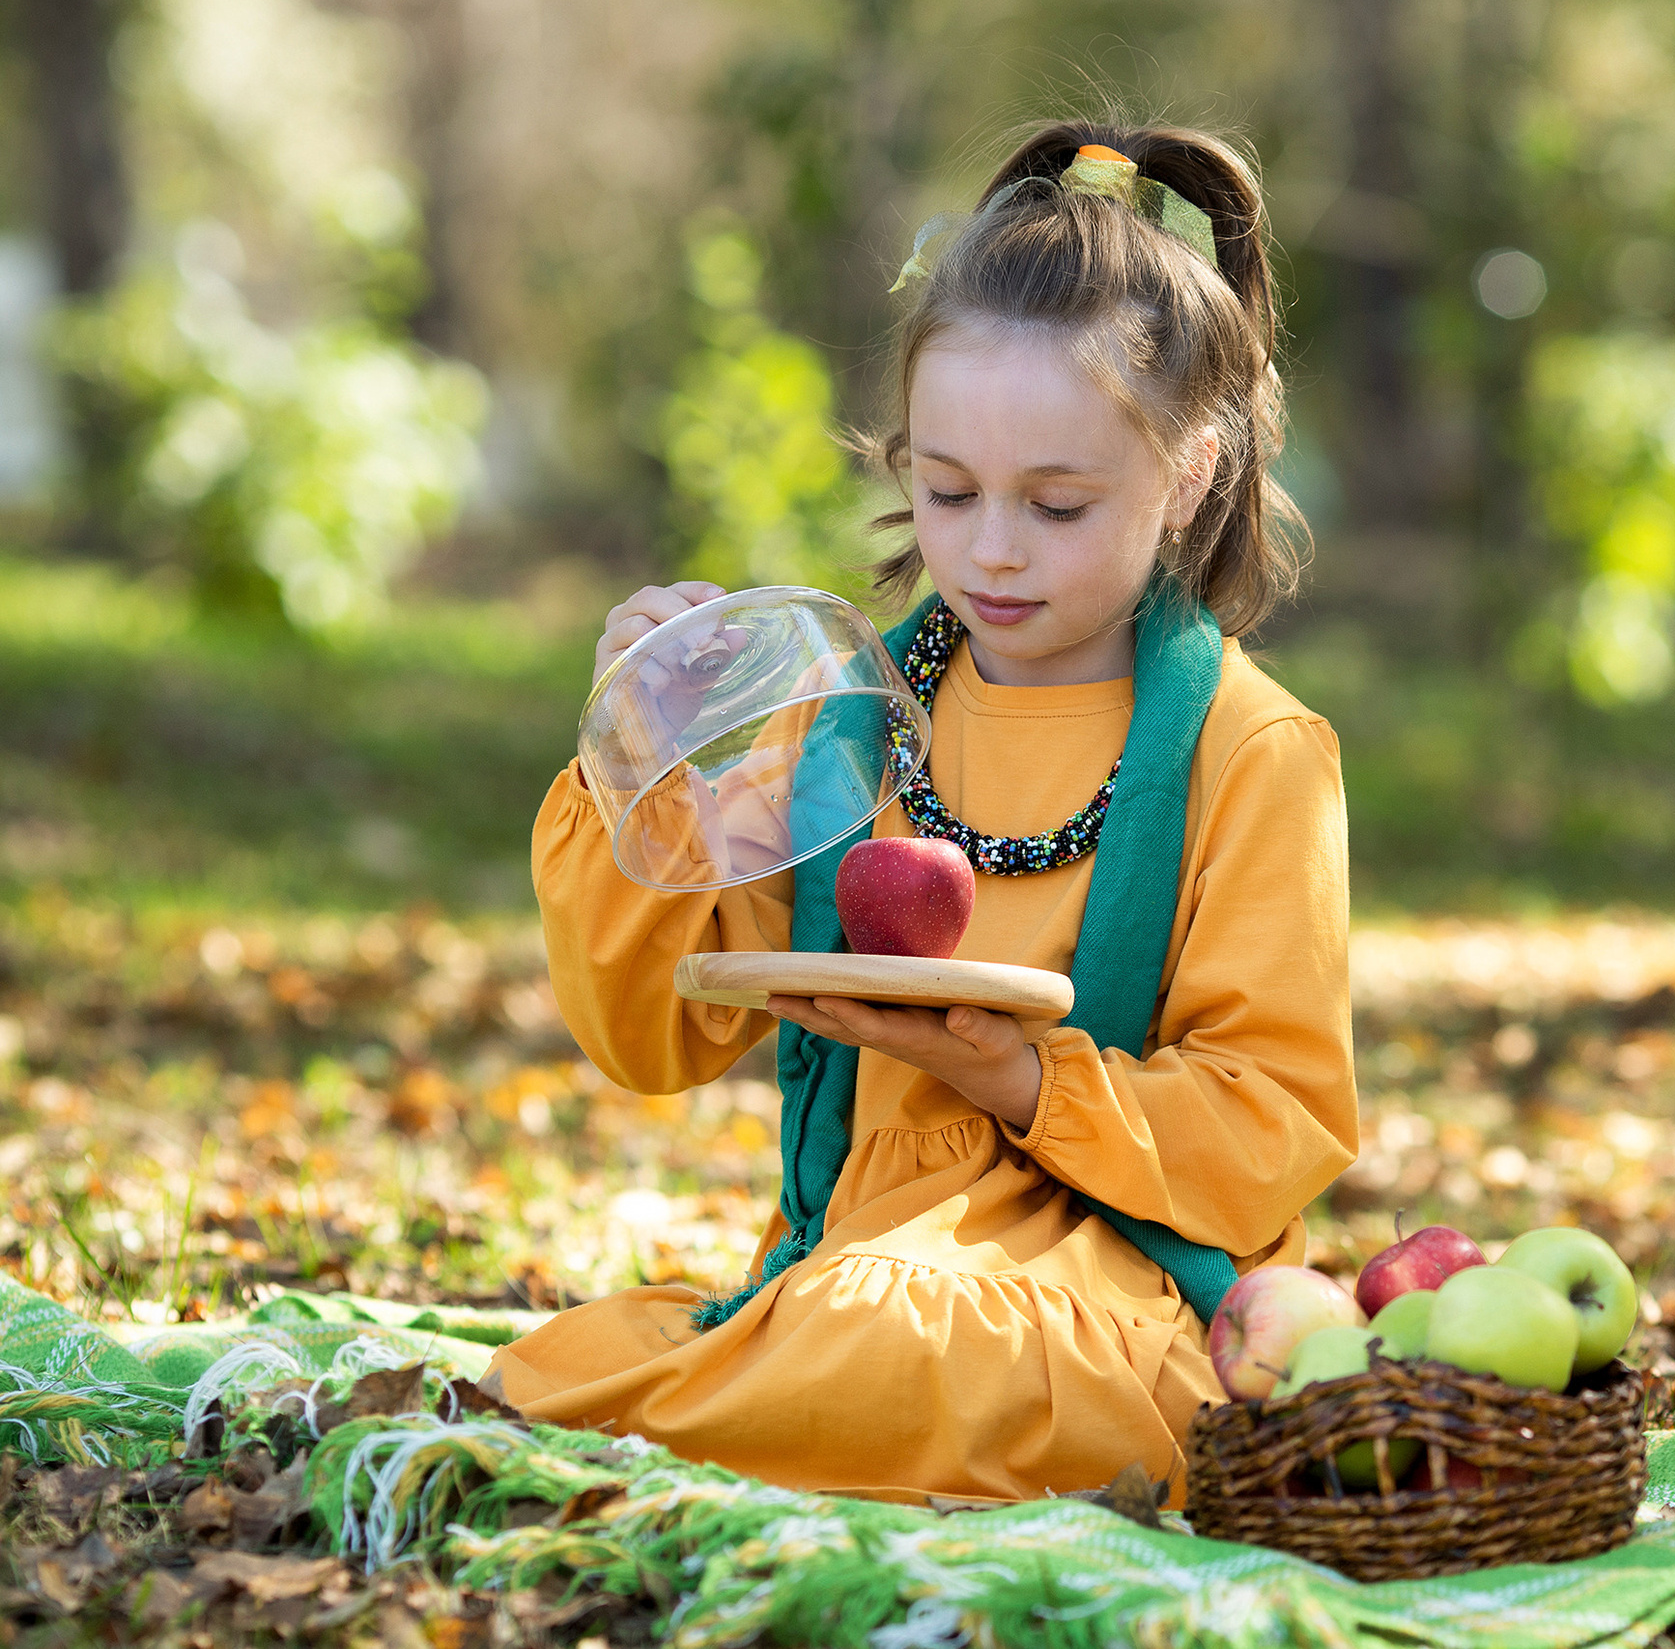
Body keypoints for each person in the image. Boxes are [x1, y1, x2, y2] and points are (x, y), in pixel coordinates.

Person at [483, 123, 1358, 1505]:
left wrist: (1011, 1076)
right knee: (802, 1335)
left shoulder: (1252, 754)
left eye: (1056, 504)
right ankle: (738, 1391)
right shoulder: (849, 722)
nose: (992, 547)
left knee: (922, 1349)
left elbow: (1271, 1119)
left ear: (1188, 475)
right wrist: (641, 757)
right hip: (856, 1259)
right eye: (947, 491)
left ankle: (724, 1409)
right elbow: (654, 1036)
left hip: (1116, 1286)